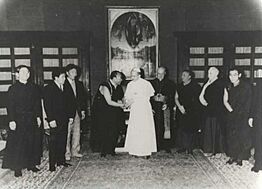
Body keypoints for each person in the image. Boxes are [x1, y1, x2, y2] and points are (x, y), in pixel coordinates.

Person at [2, 65, 42, 177]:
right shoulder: (13, 89)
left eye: (27, 72)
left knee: (32, 142)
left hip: (31, 119)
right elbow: (10, 106)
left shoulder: (34, 88)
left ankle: (31, 164)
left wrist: (38, 117)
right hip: (18, 120)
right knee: (18, 144)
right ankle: (17, 167)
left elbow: (37, 104)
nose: (26, 74)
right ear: (18, 74)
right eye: (23, 72)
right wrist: (12, 120)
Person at [43, 68, 74, 172]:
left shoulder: (65, 87)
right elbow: (47, 105)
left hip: (64, 119)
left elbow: (70, 103)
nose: (64, 79)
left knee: (63, 140)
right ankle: (52, 164)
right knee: (53, 142)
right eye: (62, 77)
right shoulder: (49, 88)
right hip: (54, 120)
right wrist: (50, 119)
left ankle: (61, 160)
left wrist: (70, 117)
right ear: (56, 78)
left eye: (64, 77)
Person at [90, 71, 125, 157]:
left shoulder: (119, 87)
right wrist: (122, 105)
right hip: (102, 113)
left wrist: (123, 102)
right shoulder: (105, 85)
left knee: (114, 131)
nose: (121, 79)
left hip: (113, 112)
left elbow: (120, 98)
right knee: (104, 131)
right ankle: (103, 151)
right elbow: (109, 101)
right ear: (114, 77)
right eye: (120, 77)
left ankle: (111, 150)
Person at [124, 68, 157, 158]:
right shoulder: (130, 84)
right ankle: (135, 150)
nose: (132, 77)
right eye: (131, 75)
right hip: (135, 109)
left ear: (139, 75)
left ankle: (146, 152)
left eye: (134, 76)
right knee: (135, 129)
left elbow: (149, 96)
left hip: (144, 109)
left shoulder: (146, 84)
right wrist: (126, 103)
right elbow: (128, 97)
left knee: (145, 130)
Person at [223, 68, 252, 166]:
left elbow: (249, 102)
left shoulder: (246, 87)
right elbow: (225, 100)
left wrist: (246, 115)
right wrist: (231, 111)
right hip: (231, 114)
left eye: (235, 75)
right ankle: (232, 156)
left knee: (242, 136)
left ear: (239, 75)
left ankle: (240, 157)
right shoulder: (228, 86)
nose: (232, 77)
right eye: (230, 75)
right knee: (231, 136)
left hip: (243, 115)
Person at [199, 67, 225, 156]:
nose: (208, 75)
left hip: (216, 111)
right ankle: (209, 149)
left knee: (216, 131)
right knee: (209, 130)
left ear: (216, 74)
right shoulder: (208, 82)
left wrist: (208, 103)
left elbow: (217, 98)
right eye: (208, 73)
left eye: (211, 73)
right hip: (208, 110)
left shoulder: (219, 84)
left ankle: (218, 151)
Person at [64, 64, 87, 161]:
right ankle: (66, 153)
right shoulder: (63, 84)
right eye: (72, 72)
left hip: (77, 111)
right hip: (67, 112)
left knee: (77, 132)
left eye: (76, 72)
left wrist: (82, 110)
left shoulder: (79, 84)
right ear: (67, 73)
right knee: (67, 133)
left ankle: (75, 151)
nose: (75, 74)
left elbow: (82, 99)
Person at [175, 70, 201, 154]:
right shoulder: (179, 86)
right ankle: (182, 146)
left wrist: (188, 109)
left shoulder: (195, 86)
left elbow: (197, 100)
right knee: (181, 128)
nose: (182, 77)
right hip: (181, 109)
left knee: (190, 129)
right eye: (182, 75)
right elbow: (176, 97)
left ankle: (190, 147)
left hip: (191, 111)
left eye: (184, 75)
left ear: (189, 76)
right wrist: (180, 107)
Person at [151, 67, 176, 153]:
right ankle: (156, 145)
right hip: (155, 108)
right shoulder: (152, 83)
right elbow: (149, 97)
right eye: (158, 74)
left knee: (166, 126)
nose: (160, 75)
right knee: (156, 126)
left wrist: (167, 103)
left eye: (162, 74)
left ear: (165, 73)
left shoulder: (170, 83)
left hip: (165, 108)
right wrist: (151, 106)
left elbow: (173, 97)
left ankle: (166, 146)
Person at [248, 80, 262, 172]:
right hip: (259, 117)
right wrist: (251, 117)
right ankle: (258, 164)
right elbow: (254, 102)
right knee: (258, 141)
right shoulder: (259, 83)